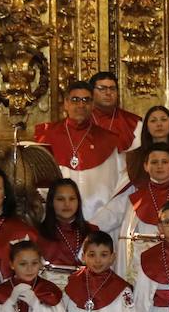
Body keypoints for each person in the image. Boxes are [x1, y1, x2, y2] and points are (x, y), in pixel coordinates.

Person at [91, 144, 169, 280]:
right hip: (140, 267)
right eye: (154, 162)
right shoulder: (135, 199)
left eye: (165, 162)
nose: (159, 166)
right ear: (146, 166)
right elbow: (116, 225)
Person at [34, 80, 123, 219]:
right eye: (75, 100)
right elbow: (39, 187)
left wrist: (101, 222)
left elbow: (118, 190)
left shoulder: (110, 141)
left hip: (99, 223)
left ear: (92, 104)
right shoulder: (46, 137)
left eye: (86, 100)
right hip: (56, 222)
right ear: (66, 103)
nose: (81, 105)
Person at [34, 178, 99, 274]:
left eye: (72, 199)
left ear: (78, 202)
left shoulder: (92, 232)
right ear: (51, 202)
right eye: (60, 199)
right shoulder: (37, 234)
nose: (67, 204)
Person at [125, 105, 169, 188]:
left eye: (163, 120)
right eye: (153, 121)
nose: (159, 124)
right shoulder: (134, 156)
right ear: (146, 126)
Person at [88, 70, 142, 151]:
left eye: (112, 88)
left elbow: (136, 157)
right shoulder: (80, 120)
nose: (108, 93)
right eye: (102, 88)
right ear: (91, 92)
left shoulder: (133, 123)